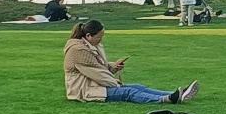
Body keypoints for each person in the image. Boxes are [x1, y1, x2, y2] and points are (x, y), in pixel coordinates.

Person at [64, 19, 197, 104]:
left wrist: (114, 66)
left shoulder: (88, 46)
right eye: (99, 37)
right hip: (85, 90)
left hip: (97, 85)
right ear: (88, 36)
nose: (101, 40)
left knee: (138, 87)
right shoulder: (78, 50)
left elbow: (99, 67)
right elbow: (97, 73)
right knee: (129, 92)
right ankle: (166, 99)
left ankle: (174, 94)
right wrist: (116, 83)